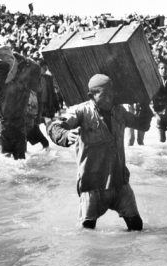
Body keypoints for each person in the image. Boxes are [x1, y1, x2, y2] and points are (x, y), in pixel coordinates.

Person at [47, 74, 153, 230]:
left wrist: (145, 106)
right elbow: (54, 126)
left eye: (112, 93)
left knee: (137, 227)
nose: (110, 98)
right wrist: (66, 135)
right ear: (91, 96)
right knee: (87, 231)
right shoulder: (81, 112)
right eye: (105, 95)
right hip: (92, 185)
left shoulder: (119, 111)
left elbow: (142, 125)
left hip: (119, 182)